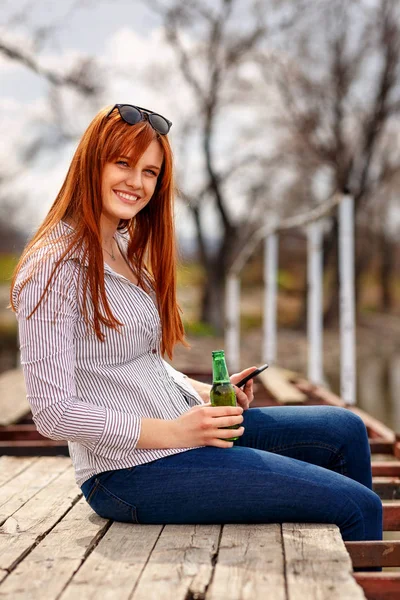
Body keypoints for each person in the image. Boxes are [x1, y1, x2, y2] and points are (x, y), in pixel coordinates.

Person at [10, 104, 382, 567]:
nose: (137, 182)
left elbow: (140, 359)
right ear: (92, 163)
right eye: (123, 164)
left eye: (150, 171)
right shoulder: (52, 265)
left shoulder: (123, 248)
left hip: (186, 429)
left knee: (344, 429)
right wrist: (173, 431)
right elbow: (52, 412)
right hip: (129, 472)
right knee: (360, 505)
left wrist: (208, 392)